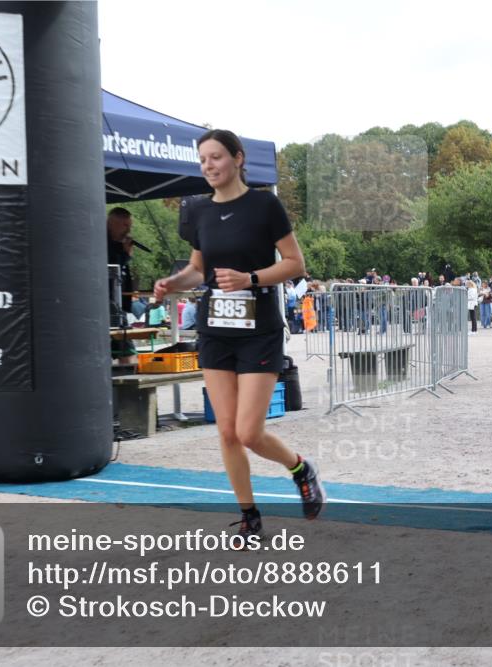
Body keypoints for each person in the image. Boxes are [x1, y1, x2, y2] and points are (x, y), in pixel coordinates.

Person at [152, 129, 324, 538]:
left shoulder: (265, 205)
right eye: (203, 160)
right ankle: (249, 515)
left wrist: (250, 277)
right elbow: (199, 268)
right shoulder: (198, 211)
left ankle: (300, 468)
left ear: (238, 159)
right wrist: (173, 283)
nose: (209, 166)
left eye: (216, 157)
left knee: (249, 431)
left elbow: (295, 264)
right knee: (226, 431)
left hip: (258, 330)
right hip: (215, 330)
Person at [107, 207, 138, 364]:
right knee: (126, 352)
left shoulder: (120, 245)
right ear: (111, 223)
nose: (128, 230)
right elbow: (112, 271)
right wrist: (126, 255)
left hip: (119, 307)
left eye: (129, 225)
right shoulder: (102, 244)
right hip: (107, 307)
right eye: (125, 225)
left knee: (127, 353)